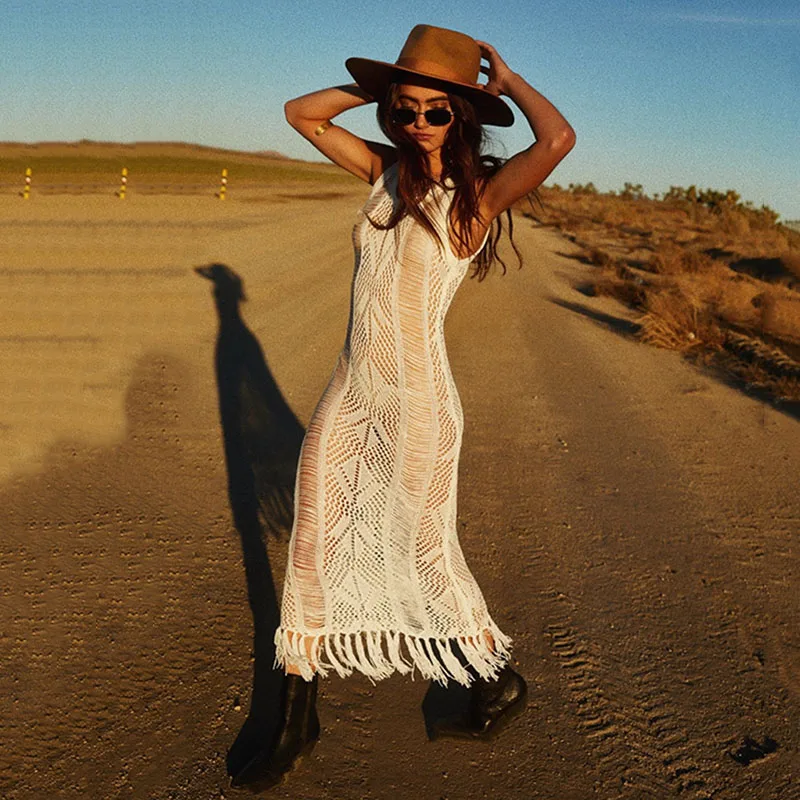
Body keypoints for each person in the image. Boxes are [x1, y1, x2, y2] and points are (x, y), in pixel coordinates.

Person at [231, 23, 575, 790]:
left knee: (423, 550)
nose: (418, 122)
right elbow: (300, 114)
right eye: (405, 109)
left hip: (419, 403)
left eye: (436, 110)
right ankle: (295, 719)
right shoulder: (383, 171)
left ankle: (494, 680)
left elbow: (557, 140)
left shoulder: (475, 198)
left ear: (463, 116)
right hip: (350, 392)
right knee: (312, 540)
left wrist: (507, 81)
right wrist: (379, 85)